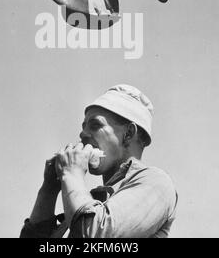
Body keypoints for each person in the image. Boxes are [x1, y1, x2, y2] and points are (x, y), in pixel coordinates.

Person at [20, 85, 178, 238]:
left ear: (129, 134)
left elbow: (94, 235)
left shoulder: (156, 182)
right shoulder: (92, 201)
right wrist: (48, 190)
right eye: (83, 126)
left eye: (95, 125)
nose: (82, 134)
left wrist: (71, 173)